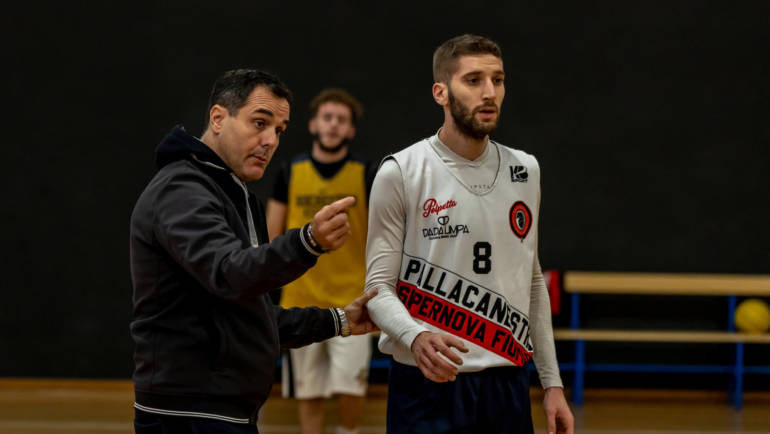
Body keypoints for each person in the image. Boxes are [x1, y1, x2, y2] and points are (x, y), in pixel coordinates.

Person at [129, 69, 378, 434]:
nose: (270, 140)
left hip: (223, 409)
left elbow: (250, 315)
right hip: (190, 414)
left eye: (279, 130)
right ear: (218, 118)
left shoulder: (232, 191)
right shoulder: (182, 188)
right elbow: (230, 273)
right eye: (259, 123)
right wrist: (307, 241)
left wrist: (338, 320)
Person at [364, 35, 575, 433]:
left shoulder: (525, 169)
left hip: (506, 382)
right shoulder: (401, 171)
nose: (490, 92)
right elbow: (377, 289)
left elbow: (532, 281)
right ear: (440, 92)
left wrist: (552, 383)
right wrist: (414, 336)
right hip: (427, 380)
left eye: (498, 80)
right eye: (474, 80)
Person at [266, 89, 375, 434]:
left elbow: (381, 235)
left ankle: (348, 431)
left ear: (351, 130)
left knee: (350, 386)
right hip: (301, 297)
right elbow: (271, 236)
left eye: (341, 120)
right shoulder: (289, 172)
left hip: (353, 298)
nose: (333, 125)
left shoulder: (367, 173)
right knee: (309, 391)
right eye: (327, 118)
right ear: (314, 124)